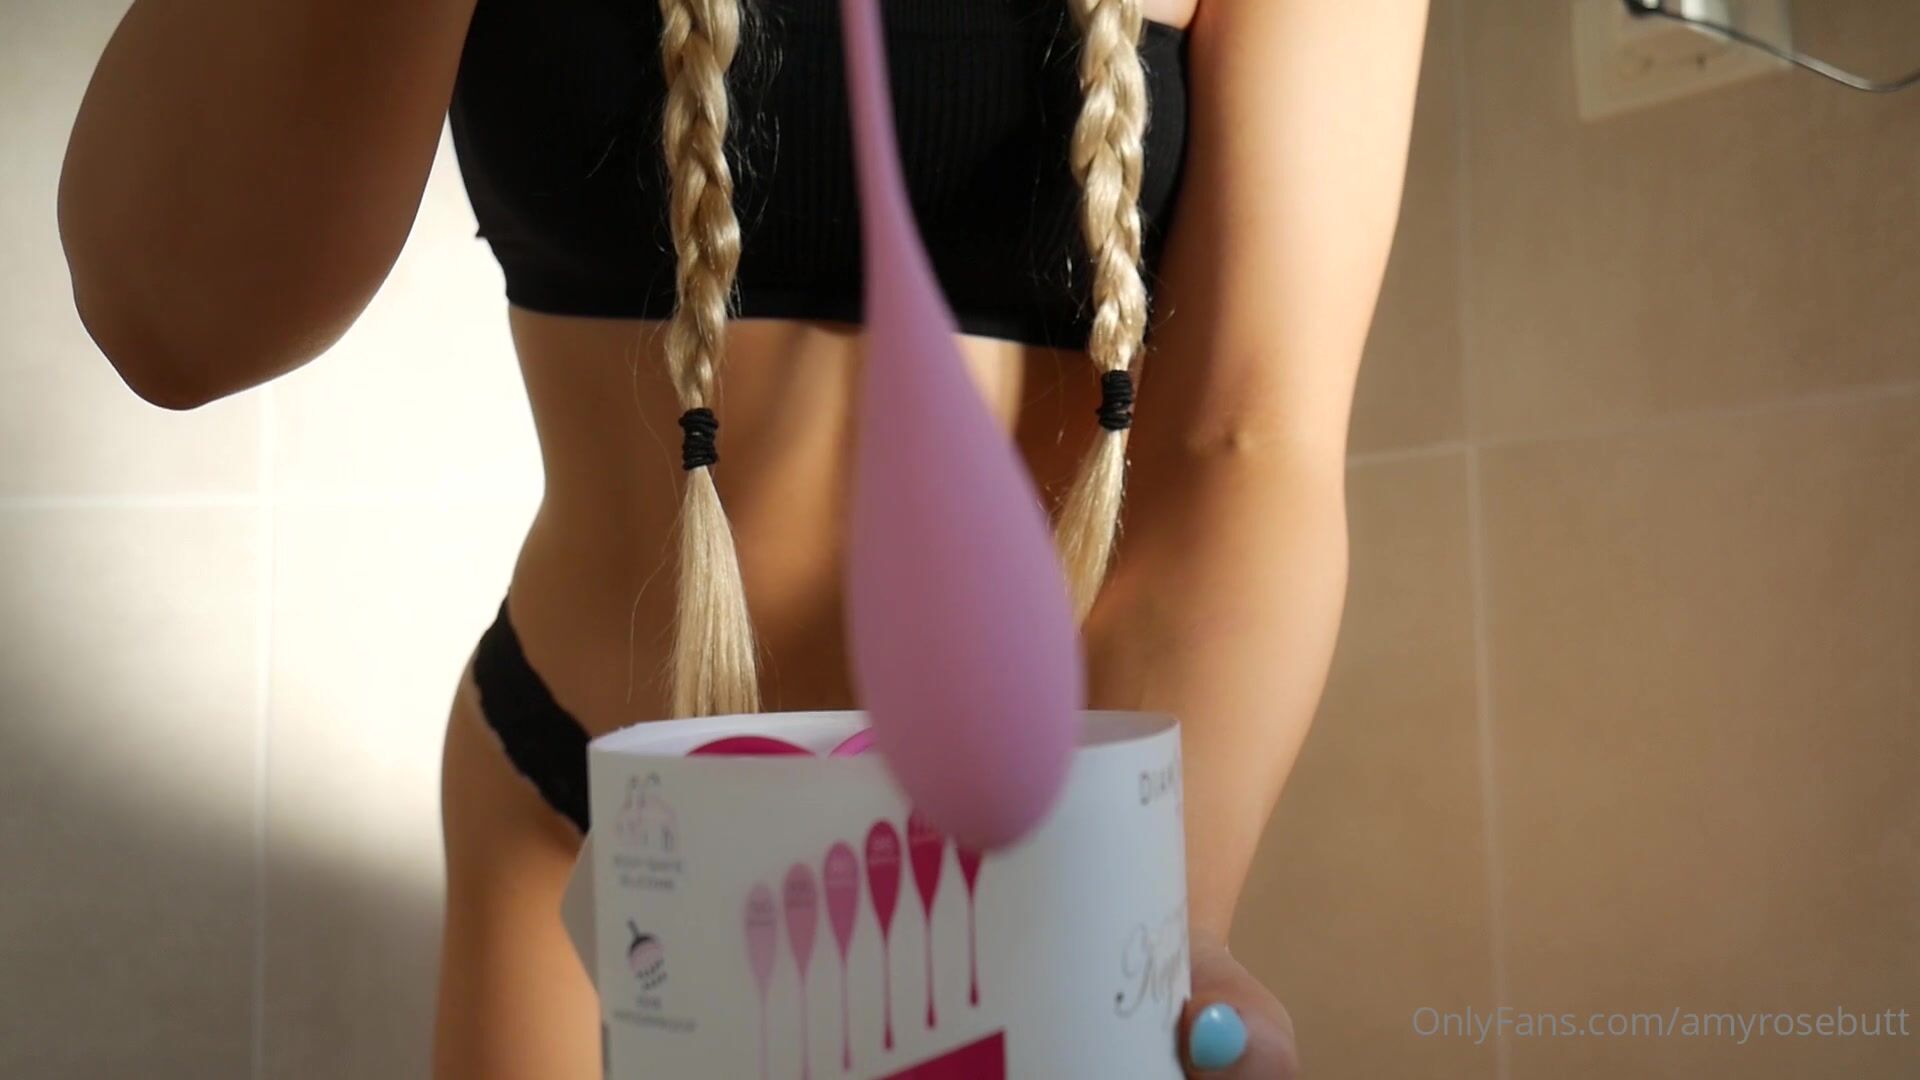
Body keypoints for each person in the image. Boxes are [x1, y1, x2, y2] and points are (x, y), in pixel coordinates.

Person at [59, 0, 1428, 1075]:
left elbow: (1248, 443)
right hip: (593, 838)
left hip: (1034, 878)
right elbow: (175, 319)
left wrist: (1152, 918)